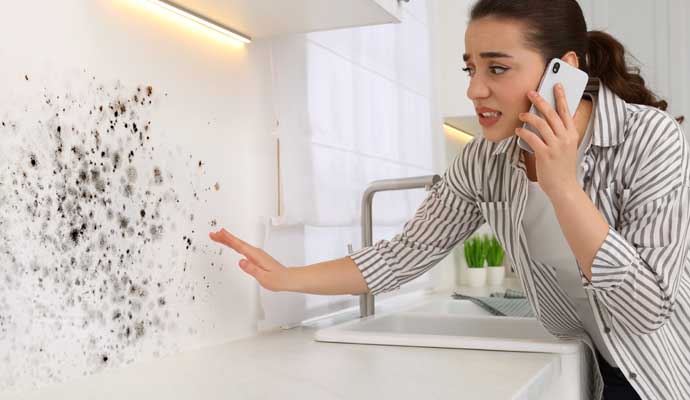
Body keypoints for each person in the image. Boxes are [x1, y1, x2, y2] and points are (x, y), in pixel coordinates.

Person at [210, 1, 690, 399]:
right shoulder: (485, 160)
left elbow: (648, 310)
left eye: (497, 68)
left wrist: (561, 184)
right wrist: (286, 278)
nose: (475, 89)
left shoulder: (648, 138)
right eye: (471, 67)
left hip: (662, 371)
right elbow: (403, 255)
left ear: (562, 71)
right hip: (594, 363)